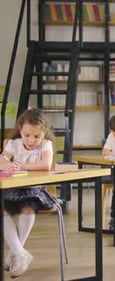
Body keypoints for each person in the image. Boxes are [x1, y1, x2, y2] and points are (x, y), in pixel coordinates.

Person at [0, 108, 60, 278]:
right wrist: (6, 165)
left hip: (35, 190)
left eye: (36, 136)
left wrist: (21, 165)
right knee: (2, 211)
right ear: (20, 130)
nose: (31, 140)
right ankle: (19, 253)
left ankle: (15, 253)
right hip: (13, 189)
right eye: (27, 135)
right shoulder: (13, 143)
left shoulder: (46, 145)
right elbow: (1, 160)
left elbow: (45, 165)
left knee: (27, 209)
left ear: (43, 134)